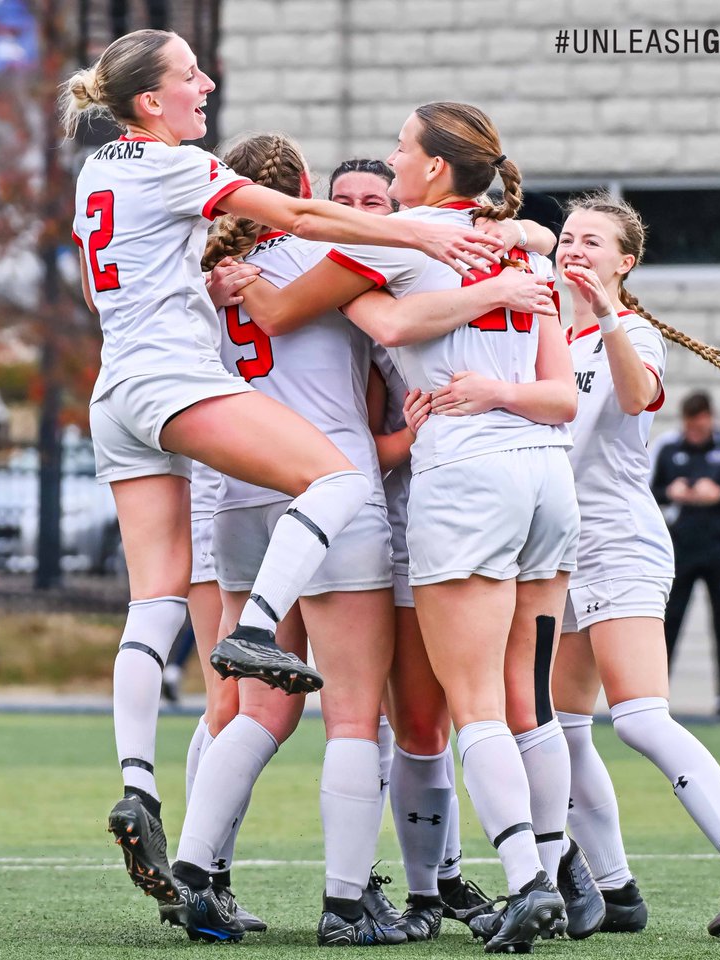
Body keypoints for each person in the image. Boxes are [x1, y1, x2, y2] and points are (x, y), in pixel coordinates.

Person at [59, 29, 504, 914]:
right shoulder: (185, 171)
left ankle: (142, 788)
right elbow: (318, 244)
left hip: (121, 397)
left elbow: (92, 283)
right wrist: (406, 228)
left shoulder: (98, 173)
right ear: (150, 101)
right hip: (186, 399)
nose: (206, 82)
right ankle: (365, 891)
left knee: (157, 600)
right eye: (190, 74)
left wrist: (197, 273)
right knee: (339, 495)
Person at [177, 137, 554, 947]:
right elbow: (360, 317)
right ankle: (347, 903)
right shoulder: (327, 246)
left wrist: (524, 240)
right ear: (306, 194)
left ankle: (197, 868)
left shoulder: (204, 275)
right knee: (355, 716)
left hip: (240, 498)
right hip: (332, 493)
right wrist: (516, 254)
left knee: (255, 709)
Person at [542, 192, 720, 939]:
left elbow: (636, 392)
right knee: (561, 728)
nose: (574, 248)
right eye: (568, 238)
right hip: (560, 554)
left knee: (642, 719)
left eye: (592, 241)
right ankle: (617, 891)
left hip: (620, 543)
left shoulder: (634, 333)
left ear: (626, 261)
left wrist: (609, 314)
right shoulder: (543, 335)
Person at [651, 390, 720, 722]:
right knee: (670, 624)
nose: (694, 431)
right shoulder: (669, 448)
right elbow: (644, 488)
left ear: (709, 418)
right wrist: (671, 493)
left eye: (700, 424)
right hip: (679, 552)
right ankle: (658, 700)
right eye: (690, 424)